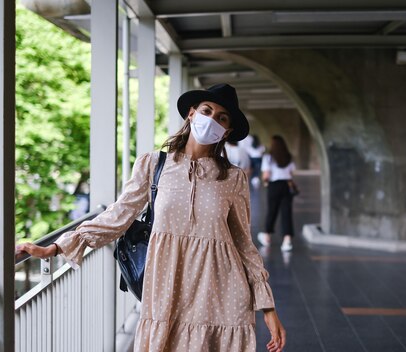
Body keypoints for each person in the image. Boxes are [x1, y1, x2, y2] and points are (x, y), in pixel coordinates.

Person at [16, 83, 286, 352]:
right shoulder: (153, 165)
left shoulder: (233, 177)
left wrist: (268, 307)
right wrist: (58, 246)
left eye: (221, 118)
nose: (212, 119)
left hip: (220, 291)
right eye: (207, 111)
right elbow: (119, 214)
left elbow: (242, 242)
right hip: (167, 288)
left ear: (226, 131)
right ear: (192, 114)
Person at [257, 135, 296, 252]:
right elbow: (291, 172)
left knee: (272, 211)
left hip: (274, 186)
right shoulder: (288, 157)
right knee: (286, 212)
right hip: (286, 186)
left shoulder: (268, 157)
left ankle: (267, 236)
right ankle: (287, 241)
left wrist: (264, 182)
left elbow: (266, 175)